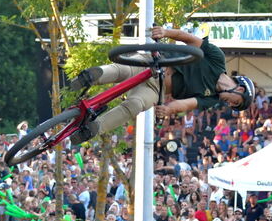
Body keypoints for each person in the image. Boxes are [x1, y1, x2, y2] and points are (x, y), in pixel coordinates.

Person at [69, 26, 255, 144]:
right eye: (236, 102)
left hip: (157, 89)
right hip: (155, 63)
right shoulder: (217, 59)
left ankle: (92, 129)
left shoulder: (211, 99)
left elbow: (186, 104)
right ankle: (91, 76)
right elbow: (188, 38)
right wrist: (166, 32)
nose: (230, 105)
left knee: (135, 105)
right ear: (239, 89)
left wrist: (168, 110)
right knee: (123, 70)